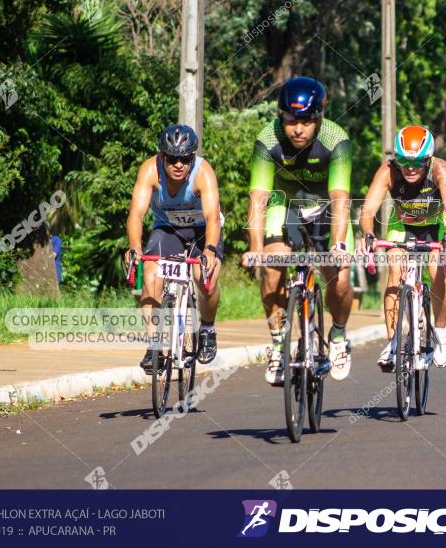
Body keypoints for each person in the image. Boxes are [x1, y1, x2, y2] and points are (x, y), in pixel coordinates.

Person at [243, 77, 354, 385]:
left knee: (340, 276)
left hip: (325, 205)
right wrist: (254, 248)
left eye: (306, 121)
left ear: (319, 117)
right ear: (282, 117)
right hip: (285, 203)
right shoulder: (268, 139)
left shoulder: (335, 139)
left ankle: (340, 336)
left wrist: (339, 244)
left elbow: (341, 199)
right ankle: (278, 344)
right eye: (291, 120)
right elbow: (259, 198)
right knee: (272, 268)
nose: (298, 129)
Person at [356, 125, 446, 370]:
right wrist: (368, 234)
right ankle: (393, 343)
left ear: (428, 159)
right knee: (395, 272)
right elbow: (368, 210)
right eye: (403, 160)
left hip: (437, 224)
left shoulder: (440, 169)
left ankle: (441, 331)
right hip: (402, 223)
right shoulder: (388, 171)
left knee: (438, 272)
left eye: (417, 162)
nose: (410, 168)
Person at [126, 124, 223, 372]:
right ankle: (154, 346)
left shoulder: (203, 173)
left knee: (205, 277)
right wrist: (135, 248)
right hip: (168, 229)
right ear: (162, 156)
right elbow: (136, 214)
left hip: (203, 231)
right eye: (172, 159)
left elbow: (212, 217)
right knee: (150, 275)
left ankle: (208, 328)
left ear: (192, 158)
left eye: (185, 159)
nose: (179, 165)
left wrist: (210, 251)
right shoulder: (149, 170)